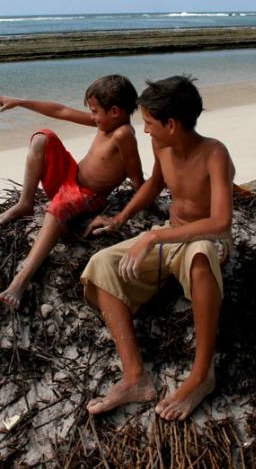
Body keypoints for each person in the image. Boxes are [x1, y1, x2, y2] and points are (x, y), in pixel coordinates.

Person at [81, 75, 235, 421]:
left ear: (171, 123)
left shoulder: (215, 153)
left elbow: (222, 222)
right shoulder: (162, 146)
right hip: (172, 232)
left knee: (199, 257)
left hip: (206, 239)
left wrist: (153, 237)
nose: (145, 130)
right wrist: (120, 219)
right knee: (101, 265)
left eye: (149, 123)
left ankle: (201, 376)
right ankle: (135, 377)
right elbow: (155, 183)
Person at [0, 75, 145, 308]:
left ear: (114, 111)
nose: (92, 117)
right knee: (43, 137)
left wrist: (134, 212)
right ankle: (25, 202)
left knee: (59, 205)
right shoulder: (105, 122)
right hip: (69, 178)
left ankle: (21, 279)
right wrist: (19, 101)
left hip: (89, 196)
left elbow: (136, 178)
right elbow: (61, 111)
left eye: (94, 111)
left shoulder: (123, 134)